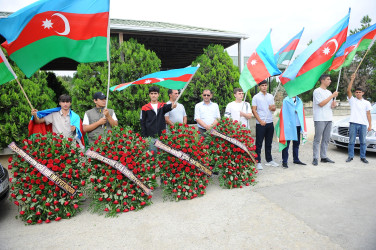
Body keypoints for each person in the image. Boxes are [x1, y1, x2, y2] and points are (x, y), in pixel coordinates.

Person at [252, 80, 279, 170]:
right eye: (262, 85)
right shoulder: (256, 97)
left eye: (265, 85)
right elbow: (254, 110)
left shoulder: (270, 96)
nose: (264, 87)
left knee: (269, 142)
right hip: (261, 123)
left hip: (269, 122)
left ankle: (269, 159)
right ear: (259, 87)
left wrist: (273, 108)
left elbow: (274, 108)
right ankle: (258, 161)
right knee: (259, 143)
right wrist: (260, 121)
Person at [346, 73, 372, 163]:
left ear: (363, 93)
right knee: (351, 141)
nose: (358, 93)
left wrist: (370, 125)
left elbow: (368, 114)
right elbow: (348, 90)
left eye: (359, 92)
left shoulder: (367, 103)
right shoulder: (352, 100)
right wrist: (352, 79)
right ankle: (350, 156)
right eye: (356, 92)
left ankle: (363, 157)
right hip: (353, 123)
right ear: (355, 93)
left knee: (363, 142)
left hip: (363, 124)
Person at [312, 74, 338, 166]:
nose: (330, 81)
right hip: (319, 118)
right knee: (317, 139)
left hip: (328, 118)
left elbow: (330, 105)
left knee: (326, 139)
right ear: (322, 80)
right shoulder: (317, 91)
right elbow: (321, 104)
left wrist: (334, 105)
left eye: (330, 79)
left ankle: (323, 156)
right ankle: (315, 157)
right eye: (328, 79)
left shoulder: (329, 92)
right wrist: (332, 96)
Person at [276, 96, 307, 168]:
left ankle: (296, 159)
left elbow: (301, 112)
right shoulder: (286, 100)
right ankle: (285, 161)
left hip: (297, 124)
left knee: (296, 143)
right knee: (287, 144)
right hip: (289, 125)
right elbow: (283, 112)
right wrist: (293, 110)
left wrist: (297, 111)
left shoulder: (299, 101)